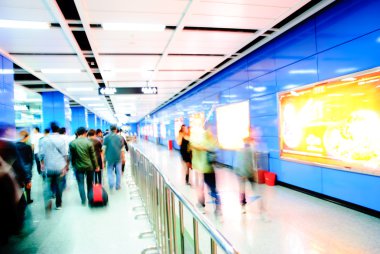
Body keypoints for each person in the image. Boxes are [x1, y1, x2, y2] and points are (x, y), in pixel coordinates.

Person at [0, 123, 27, 243]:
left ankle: (5, 233)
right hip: (7, 181)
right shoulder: (9, 144)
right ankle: (15, 229)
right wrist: (26, 179)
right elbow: (18, 164)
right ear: (7, 131)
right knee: (19, 204)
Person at [190, 126, 221, 214]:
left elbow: (194, 146)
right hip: (207, 168)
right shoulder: (209, 139)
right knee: (211, 187)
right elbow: (214, 148)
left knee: (203, 187)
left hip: (203, 168)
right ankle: (215, 206)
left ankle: (202, 203)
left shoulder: (199, 140)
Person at [40, 122, 68, 212]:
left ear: (51, 130)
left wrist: (42, 164)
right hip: (59, 166)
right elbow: (65, 154)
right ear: (58, 129)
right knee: (59, 186)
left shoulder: (44, 139)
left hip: (49, 167)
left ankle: (48, 199)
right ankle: (58, 204)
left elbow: (41, 154)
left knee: (48, 184)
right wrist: (66, 166)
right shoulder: (61, 139)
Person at [69, 127, 99, 205]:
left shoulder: (72, 143)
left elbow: (71, 157)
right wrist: (96, 166)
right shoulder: (89, 142)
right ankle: (90, 198)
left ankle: (83, 200)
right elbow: (93, 156)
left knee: (80, 183)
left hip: (78, 167)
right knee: (89, 183)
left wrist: (73, 165)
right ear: (84, 133)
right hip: (89, 166)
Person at [16, 130, 34, 204]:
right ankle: (28, 199)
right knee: (28, 183)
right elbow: (30, 159)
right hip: (26, 167)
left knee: (19, 185)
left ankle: (21, 200)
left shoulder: (14, 146)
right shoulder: (27, 147)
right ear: (26, 137)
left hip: (17, 168)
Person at [103, 125, 123, 191]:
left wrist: (104, 158)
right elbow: (121, 148)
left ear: (110, 129)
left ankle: (111, 184)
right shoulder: (120, 137)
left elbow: (104, 148)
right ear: (116, 129)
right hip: (118, 157)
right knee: (118, 172)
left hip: (109, 157)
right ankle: (118, 186)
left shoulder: (106, 137)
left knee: (109, 171)